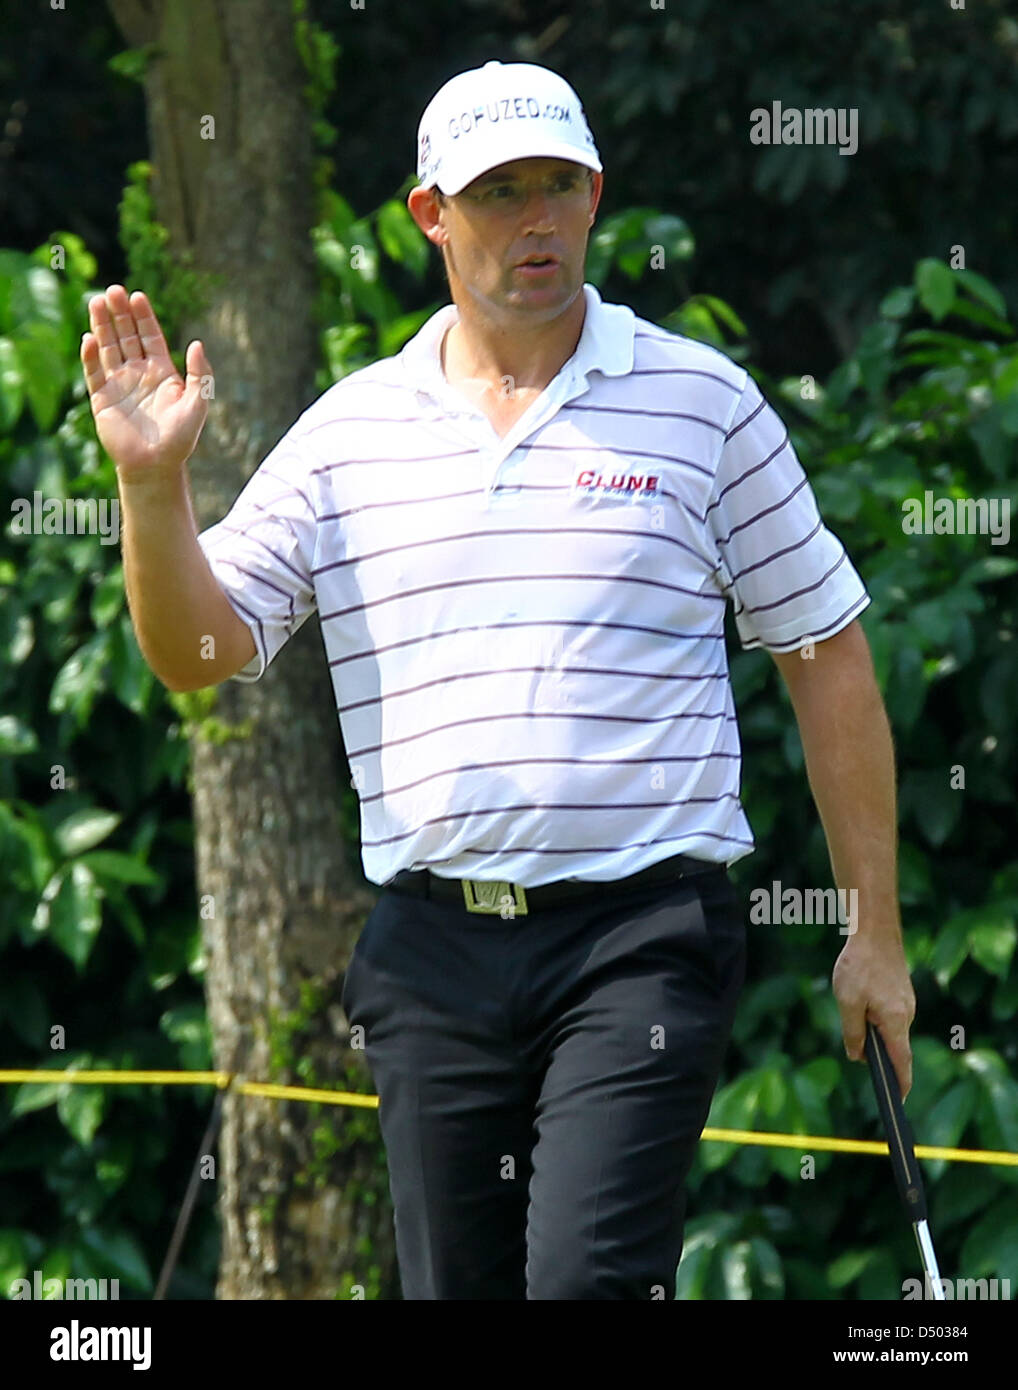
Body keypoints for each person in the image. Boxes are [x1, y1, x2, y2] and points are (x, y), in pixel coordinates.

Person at [80, 59, 915, 1300]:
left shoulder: (705, 405)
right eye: (499, 191)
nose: (537, 219)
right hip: (430, 953)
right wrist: (152, 489)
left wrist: (873, 931)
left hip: (640, 937)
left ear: (595, 195)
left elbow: (824, 651)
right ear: (431, 213)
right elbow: (194, 655)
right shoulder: (350, 432)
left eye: (558, 186)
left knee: (584, 1282)